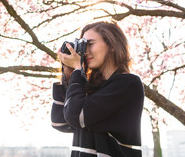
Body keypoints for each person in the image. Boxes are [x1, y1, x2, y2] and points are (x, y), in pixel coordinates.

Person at [51, 21, 144, 157]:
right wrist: (68, 76)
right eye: (82, 46)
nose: (85, 52)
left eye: (90, 44)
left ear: (112, 45)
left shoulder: (127, 83)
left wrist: (78, 71)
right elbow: (60, 122)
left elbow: (76, 116)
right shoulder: (90, 87)